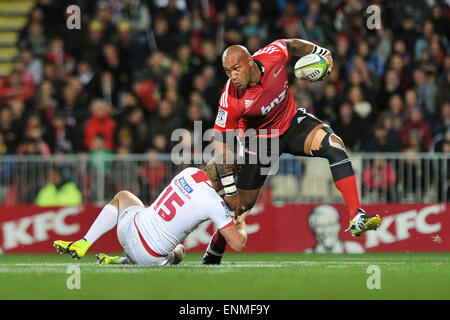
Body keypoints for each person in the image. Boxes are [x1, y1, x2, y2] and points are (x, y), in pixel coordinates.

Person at [203, 38, 381, 264]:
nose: (233, 76)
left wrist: (321, 51)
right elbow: (222, 146)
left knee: (335, 147)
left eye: (236, 69)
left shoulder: (273, 55)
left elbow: (292, 44)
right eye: (227, 71)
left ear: (250, 61)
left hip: (291, 124)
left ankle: (357, 216)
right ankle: (214, 252)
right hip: (260, 144)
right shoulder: (230, 99)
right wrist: (230, 190)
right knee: (240, 206)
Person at [53, 161, 249, 266]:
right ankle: (125, 261)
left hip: (128, 231)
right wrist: (241, 225)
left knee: (123, 196)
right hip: (150, 257)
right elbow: (238, 244)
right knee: (180, 252)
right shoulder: (213, 203)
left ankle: (85, 242)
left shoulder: (188, 173)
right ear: (222, 183)